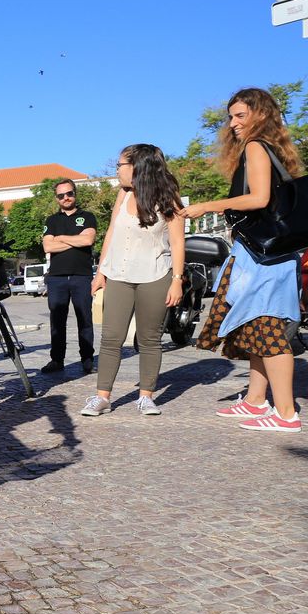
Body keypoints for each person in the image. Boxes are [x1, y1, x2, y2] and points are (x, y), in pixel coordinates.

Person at [181, 87, 305, 432]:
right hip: (269, 253)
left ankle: (285, 414)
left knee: (267, 328)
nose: (233, 123)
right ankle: (254, 401)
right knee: (253, 326)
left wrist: (208, 206)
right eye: (231, 116)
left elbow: (260, 197)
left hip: (264, 256)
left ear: (260, 115)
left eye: (241, 116)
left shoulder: (255, 147)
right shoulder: (271, 147)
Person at [82, 144, 186, 416]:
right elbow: (111, 234)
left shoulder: (168, 197)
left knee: (150, 338)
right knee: (111, 337)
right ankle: (102, 397)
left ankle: (146, 396)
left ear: (139, 167)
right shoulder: (123, 194)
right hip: (119, 274)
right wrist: (101, 272)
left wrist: (177, 279)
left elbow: (177, 241)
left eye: (120, 165)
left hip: (155, 274)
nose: (117, 170)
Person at [42, 179, 98, 375]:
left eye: (69, 193)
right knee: (57, 321)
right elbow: (48, 246)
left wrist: (62, 238)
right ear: (56, 198)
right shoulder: (52, 221)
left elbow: (88, 239)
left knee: (85, 319)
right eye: (61, 195)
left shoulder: (88, 217)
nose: (66, 198)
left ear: (75, 194)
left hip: (81, 276)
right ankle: (57, 360)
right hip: (56, 278)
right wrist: (76, 240)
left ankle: (87, 359)